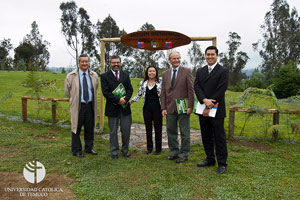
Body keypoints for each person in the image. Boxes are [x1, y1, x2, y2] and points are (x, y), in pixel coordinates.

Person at [194, 46, 229, 174]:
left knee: (219, 136)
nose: (209, 57)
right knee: (206, 135)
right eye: (207, 55)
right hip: (202, 107)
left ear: (217, 55)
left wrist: (210, 103)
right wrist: (204, 100)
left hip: (217, 109)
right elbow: (196, 86)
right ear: (205, 56)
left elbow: (221, 89)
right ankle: (210, 159)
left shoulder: (223, 71)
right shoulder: (200, 70)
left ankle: (222, 163)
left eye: (212, 54)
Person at [161, 51, 194, 163]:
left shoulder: (187, 71)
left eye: (178, 58)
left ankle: (184, 154)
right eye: (174, 58)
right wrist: (163, 108)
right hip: (170, 107)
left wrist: (190, 106)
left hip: (183, 107)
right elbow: (163, 92)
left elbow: (190, 89)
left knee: (185, 132)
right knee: (171, 131)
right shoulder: (165, 74)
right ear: (169, 60)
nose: (176, 60)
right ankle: (174, 152)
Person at [64, 54, 99, 158]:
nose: (85, 63)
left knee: (89, 128)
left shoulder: (94, 75)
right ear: (78, 63)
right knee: (76, 128)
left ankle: (89, 148)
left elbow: (95, 88)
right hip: (78, 106)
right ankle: (76, 150)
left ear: (89, 63)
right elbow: (67, 92)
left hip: (90, 106)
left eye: (86, 61)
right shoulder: (71, 76)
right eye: (82, 61)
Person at [101, 55, 133, 159]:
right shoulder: (104, 76)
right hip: (112, 108)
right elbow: (105, 92)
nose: (116, 64)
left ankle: (125, 151)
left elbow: (130, 89)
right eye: (113, 62)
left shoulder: (125, 75)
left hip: (125, 108)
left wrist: (125, 99)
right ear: (109, 63)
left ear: (120, 63)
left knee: (126, 130)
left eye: (117, 62)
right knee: (113, 131)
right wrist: (117, 100)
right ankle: (114, 152)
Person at [130, 66, 162, 155]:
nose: (152, 73)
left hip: (157, 109)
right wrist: (131, 102)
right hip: (146, 109)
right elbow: (139, 94)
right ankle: (149, 148)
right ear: (147, 73)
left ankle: (158, 149)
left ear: (156, 72)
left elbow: (164, 95)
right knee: (148, 129)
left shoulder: (160, 82)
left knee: (158, 129)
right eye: (150, 71)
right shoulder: (143, 83)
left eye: (153, 71)